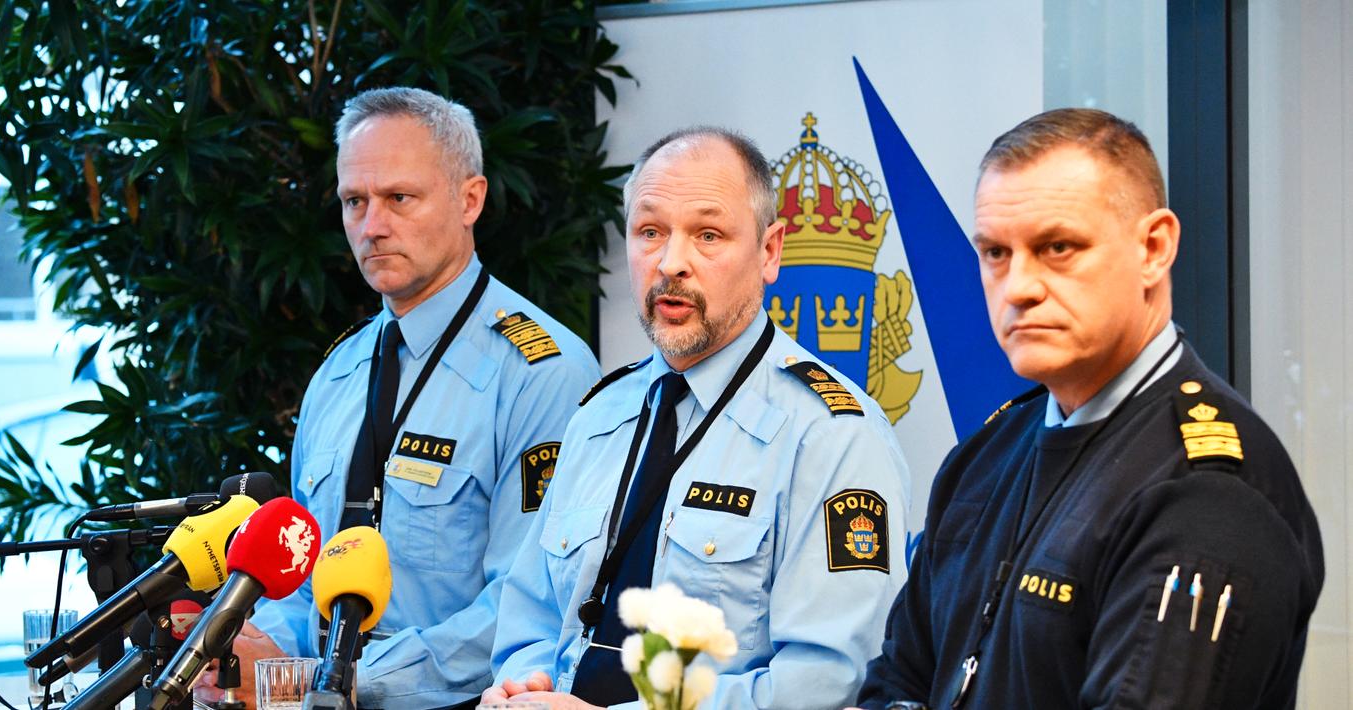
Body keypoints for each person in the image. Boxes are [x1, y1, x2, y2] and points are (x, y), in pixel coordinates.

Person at [854, 108, 1323, 709]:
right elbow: (895, 680)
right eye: (995, 252)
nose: (1018, 287)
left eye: (1057, 247)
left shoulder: (1207, 489)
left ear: (1153, 248)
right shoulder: (985, 456)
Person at [194, 87, 599, 709]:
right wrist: (253, 653)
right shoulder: (339, 371)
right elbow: (299, 574)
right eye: (354, 201)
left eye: (399, 198)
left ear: (470, 200)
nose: (372, 226)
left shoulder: (541, 372)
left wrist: (337, 679)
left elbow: (527, 605)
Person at [483, 127, 912, 710]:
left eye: (708, 235)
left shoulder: (832, 435)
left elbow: (829, 681)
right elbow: (530, 615)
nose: (670, 263)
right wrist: (526, 685)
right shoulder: (599, 415)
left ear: (769, 251)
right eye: (650, 232)